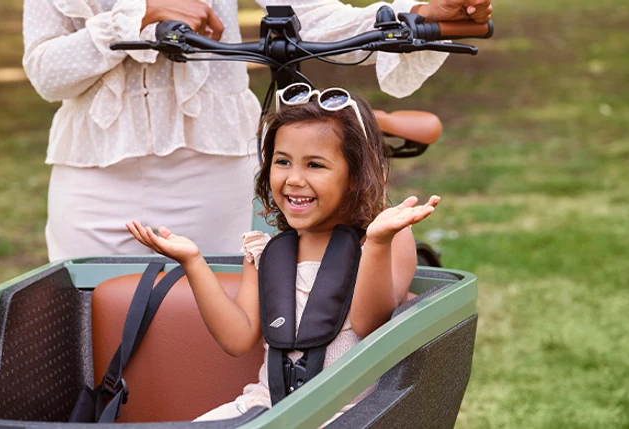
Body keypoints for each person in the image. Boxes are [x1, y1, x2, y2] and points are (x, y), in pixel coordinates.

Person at [22, 0, 487, 261]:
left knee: (210, 324)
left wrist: (416, 14)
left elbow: (312, 17)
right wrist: (133, 18)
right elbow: (45, 72)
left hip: (210, 167)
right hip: (93, 173)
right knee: (85, 322)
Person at [126, 87, 441, 423]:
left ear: (354, 175)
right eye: (282, 162)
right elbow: (237, 337)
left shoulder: (386, 238)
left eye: (315, 165)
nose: (294, 179)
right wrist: (193, 261)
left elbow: (370, 323)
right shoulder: (268, 252)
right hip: (266, 409)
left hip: (347, 416)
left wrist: (377, 243)